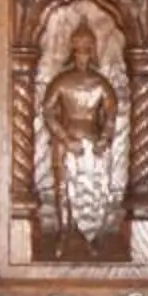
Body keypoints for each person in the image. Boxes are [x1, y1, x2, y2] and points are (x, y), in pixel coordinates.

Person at [41, 21, 119, 246]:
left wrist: (103, 139)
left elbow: (111, 115)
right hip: (66, 143)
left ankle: (91, 237)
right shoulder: (61, 81)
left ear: (92, 53)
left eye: (87, 51)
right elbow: (48, 112)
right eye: (79, 51)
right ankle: (64, 232)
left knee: (94, 189)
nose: (83, 57)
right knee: (63, 188)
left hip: (93, 147)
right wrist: (65, 139)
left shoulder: (101, 83)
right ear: (72, 53)